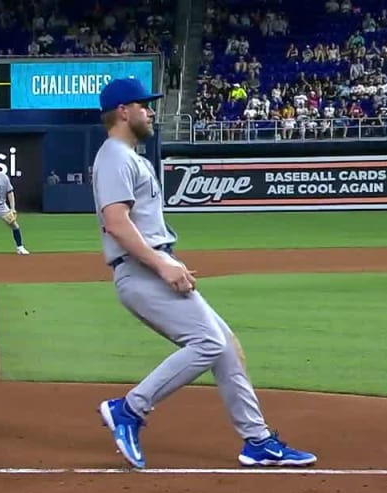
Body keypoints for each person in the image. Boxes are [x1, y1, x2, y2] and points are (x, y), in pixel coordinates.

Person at [90, 77, 317, 469]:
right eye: (143, 105)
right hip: (140, 272)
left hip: (152, 266)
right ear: (123, 112)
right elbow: (116, 222)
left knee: (225, 345)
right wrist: (162, 263)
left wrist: (167, 260)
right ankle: (130, 409)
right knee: (210, 343)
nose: (150, 111)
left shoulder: (129, 157)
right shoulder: (114, 156)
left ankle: (257, 440)